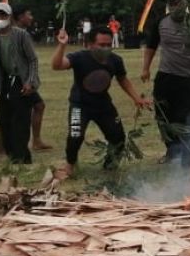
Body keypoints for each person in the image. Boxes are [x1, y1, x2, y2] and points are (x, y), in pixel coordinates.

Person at [52, 26, 151, 176]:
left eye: (108, 45)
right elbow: (57, 65)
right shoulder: (79, 57)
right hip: (80, 104)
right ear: (90, 44)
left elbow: (122, 79)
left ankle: (110, 167)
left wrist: (136, 98)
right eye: (101, 45)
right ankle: (70, 164)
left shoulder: (116, 60)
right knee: (75, 135)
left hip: (103, 104)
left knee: (118, 138)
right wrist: (62, 45)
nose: (106, 48)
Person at [141, 0, 190, 167]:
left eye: (177, 2)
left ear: (185, 3)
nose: (173, 6)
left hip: (187, 79)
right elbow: (151, 46)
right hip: (165, 76)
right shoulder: (161, 23)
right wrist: (145, 68)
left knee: (188, 117)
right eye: (170, 2)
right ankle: (172, 151)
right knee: (164, 116)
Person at [0, 2, 39, 164]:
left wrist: (30, 82)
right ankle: (12, 154)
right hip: (5, 81)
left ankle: (22, 156)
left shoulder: (21, 35)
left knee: (21, 119)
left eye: (4, 15)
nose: (1, 18)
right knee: (4, 119)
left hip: (21, 80)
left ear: (10, 17)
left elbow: (32, 60)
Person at [13, 5, 52, 150]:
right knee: (21, 111)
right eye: (29, 14)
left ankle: (35, 141)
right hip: (21, 80)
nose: (31, 17)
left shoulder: (15, 33)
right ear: (21, 17)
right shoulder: (20, 34)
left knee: (37, 106)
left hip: (21, 79)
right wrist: (29, 81)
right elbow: (31, 59)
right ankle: (29, 142)